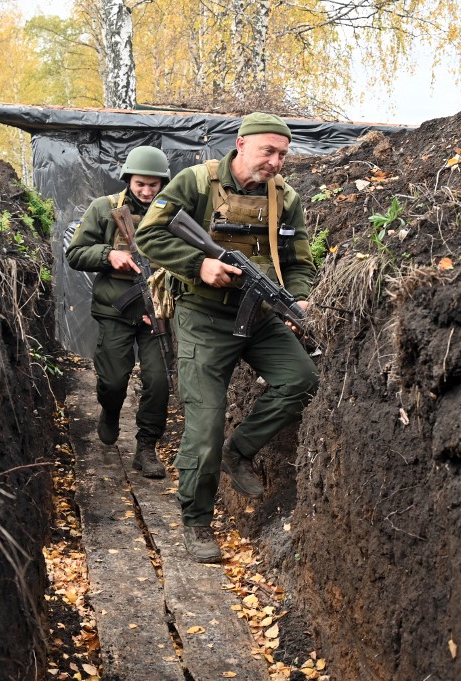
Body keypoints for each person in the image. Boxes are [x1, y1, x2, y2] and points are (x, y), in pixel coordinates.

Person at [135, 113, 319, 562]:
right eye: (267, 151)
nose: (276, 162)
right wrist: (199, 266)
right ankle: (197, 522)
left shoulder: (286, 198)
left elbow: (297, 260)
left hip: (259, 315)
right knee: (205, 423)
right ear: (240, 145)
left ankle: (240, 451)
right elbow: (150, 236)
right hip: (202, 316)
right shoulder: (196, 183)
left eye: (282, 154)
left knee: (300, 378)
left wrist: (299, 299)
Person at [65, 145, 172, 478]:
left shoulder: (172, 213)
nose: (146, 190)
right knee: (113, 381)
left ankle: (146, 448)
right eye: (140, 183)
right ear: (128, 179)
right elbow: (76, 253)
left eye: (153, 185)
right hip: (115, 309)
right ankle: (110, 412)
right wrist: (108, 254)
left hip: (158, 311)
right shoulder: (104, 208)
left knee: (159, 380)